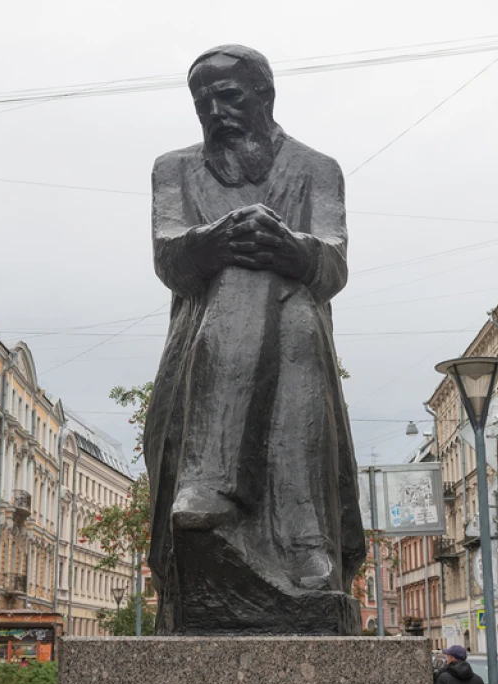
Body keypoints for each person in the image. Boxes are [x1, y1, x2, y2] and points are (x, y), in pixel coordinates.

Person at [146, 45, 366, 633]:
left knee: (279, 293)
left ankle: (212, 486)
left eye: (228, 97)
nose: (214, 112)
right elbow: (169, 257)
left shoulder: (317, 168)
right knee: (247, 269)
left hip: (298, 337)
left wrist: (295, 251)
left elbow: (333, 264)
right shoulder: (174, 169)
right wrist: (217, 241)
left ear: (264, 95)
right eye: (202, 102)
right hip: (201, 343)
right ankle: (304, 542)